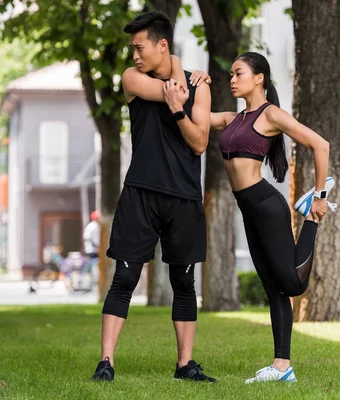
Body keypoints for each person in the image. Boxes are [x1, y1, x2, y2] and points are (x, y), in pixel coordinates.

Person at [188, 52, 336, 383]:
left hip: (266, 205)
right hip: (249, 209)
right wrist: (196, 81)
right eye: (230, 74)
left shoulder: (271, 115)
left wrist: (321, 196)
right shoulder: (233, 118)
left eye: (239, 73)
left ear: (259, 79)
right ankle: (282, 368)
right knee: (274, 289)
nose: (232, 78)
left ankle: (311, 217)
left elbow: (320, 144)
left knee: (293, 284)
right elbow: (195, 116)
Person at [91, 11, 214, 383]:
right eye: (132, 49)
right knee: (124, 279)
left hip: (184, 197)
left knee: (184, 281)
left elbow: (200, 143)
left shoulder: (200, 88)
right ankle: (106, 362)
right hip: (141, 192)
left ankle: (185, 365)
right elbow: (167, 91)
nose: (135, 56)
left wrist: (181, 106)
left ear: (161, 44)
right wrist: (179, 78)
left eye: (140, 48)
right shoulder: (132, 79)